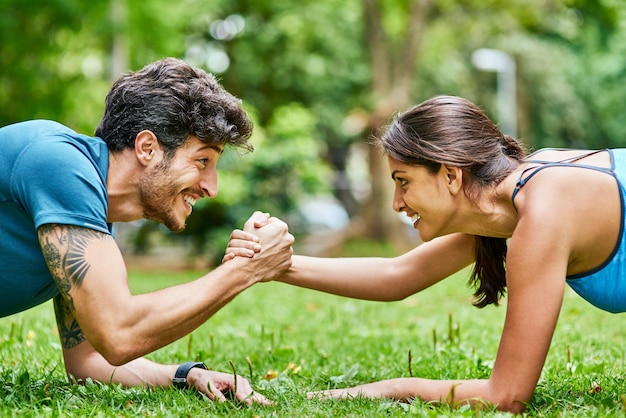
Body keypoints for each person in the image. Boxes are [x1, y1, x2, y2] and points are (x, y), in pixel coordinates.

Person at [228, 94, 626, 412]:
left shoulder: (542, 215)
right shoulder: (512, 200)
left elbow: (506, 396)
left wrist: (389, 388)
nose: (397, 203)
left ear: (451, 175)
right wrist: (277, 264)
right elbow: (397, 276)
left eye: (404, 182)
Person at [0, 57, 294, 405]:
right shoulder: (58, 163)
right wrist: (245, 270)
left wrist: (186, 375)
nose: (211, 187)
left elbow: (89, 361)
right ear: (147, 148)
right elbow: (118, 333)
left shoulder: (89, 212)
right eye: (202, 161)